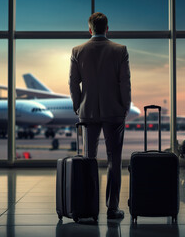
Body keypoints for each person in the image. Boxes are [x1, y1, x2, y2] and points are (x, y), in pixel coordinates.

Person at [69, 12, 131, 219]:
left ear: (89, 30)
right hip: (114, 112)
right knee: (114, 160)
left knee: (89, 159)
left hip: (88, 113)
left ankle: (88, 207)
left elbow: (73, 83)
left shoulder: (77, 51)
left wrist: (79, 106)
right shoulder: (120, 50)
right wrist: (124, 106)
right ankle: (112, 208)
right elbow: (125, 82)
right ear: (107, 28)